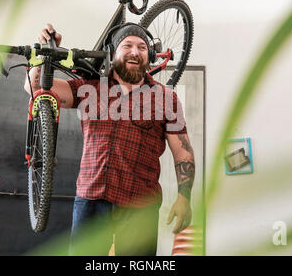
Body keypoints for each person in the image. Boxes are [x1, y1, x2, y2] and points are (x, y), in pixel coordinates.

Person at [24, 23, 195, 256]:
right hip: (91, 200)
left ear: (150, 56)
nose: (135, 51)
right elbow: (35, 88)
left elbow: (182, 152)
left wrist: (184, 197)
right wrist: (46, 53)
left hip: (140, 208)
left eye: (142, 47)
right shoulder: (89, 88)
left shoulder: (166, 99)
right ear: (113, 53)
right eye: (127, 45)